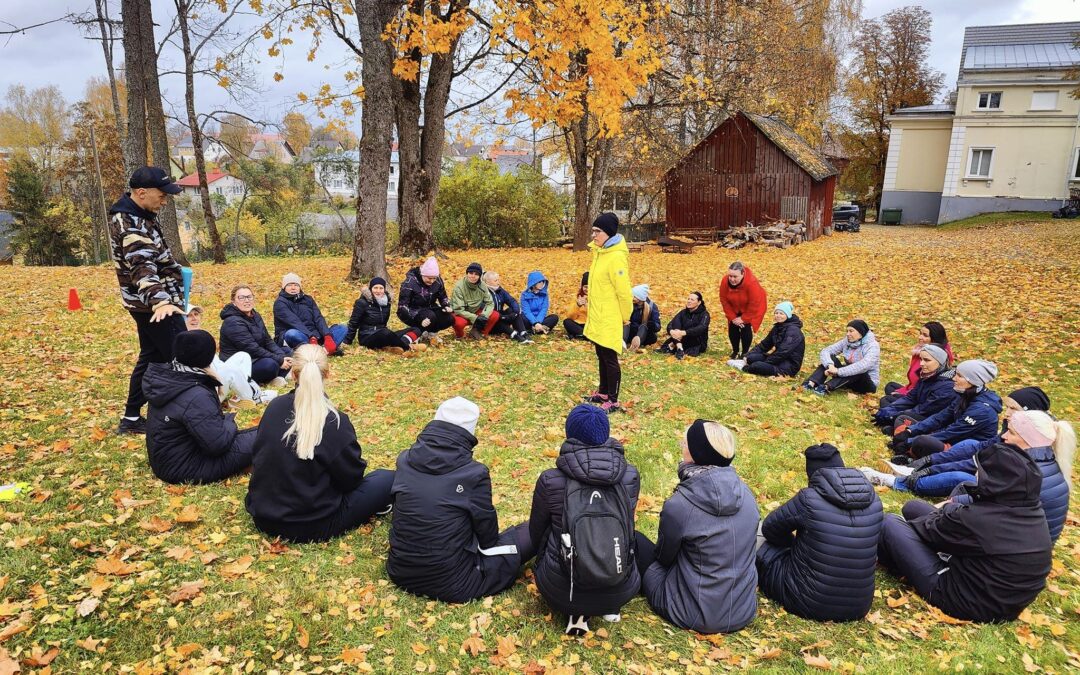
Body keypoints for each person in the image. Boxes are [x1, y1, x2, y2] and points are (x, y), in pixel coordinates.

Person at [877, 442, 1053, 623]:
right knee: (914, 507)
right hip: (1003, 598)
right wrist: (951, 514)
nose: (975, 475)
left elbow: (930, 529)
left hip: (964, 600)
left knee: (890, 524)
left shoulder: (980, 519)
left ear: (993, 479)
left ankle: (889, 559)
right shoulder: (1028, 508)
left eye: (979, 471)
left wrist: (948, 513)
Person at [387, 397, 534, 602]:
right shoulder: (474, 473)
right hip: (455, 583)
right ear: (470, 433)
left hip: (400, 571)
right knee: (533, 529)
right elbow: (488, 537)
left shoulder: (404, 459)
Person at [245, 344, 394, 542]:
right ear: (327, 374)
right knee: (387, 479)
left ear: (294, 374)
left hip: (263, 516)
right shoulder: (334, 421)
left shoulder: (274, 407)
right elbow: (352, 479)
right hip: (313, 525)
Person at [864, 403, 1073, 543]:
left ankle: (900, 481)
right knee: (914, 509)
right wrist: (945, 506)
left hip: (997, 547)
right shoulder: (1034, 463)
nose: (1005, 436)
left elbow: (984, 513)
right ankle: (908, 477)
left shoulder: (1022, 474)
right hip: (1003, 537)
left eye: (1012, 432)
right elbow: (981, 497)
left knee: (894, 526)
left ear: (1028, 439)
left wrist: (943, 517)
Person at [637, 421, 758, 634]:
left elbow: (664, 558)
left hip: (690, 613)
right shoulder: (747, 495)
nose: (681, 447)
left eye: (684, 444)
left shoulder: (680, 504)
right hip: (742, 610)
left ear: (695, 454)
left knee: (637, 541)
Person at [529, 405, 641, 635]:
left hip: (561, 589)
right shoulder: (629, 476)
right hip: (621, 586)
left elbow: (535, 532)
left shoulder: (551, 480)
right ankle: (609, 604)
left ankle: (578, 609)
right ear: (606, 433)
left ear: (569, 433)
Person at [756, 444, 883, 622]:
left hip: (805, 601)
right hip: (859, 607)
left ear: (811, 473)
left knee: (755, 533)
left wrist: (792, 545)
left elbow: (770, 529)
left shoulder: (808, 498)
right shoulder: (875, 501)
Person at [109, 166, 187, 435]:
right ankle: (194, 413)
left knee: (151, 357)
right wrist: (161, 302)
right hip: (154, 306)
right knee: (182, 355)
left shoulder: (140, 213)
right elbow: (141, 266)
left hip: (151, 303)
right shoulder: (130, 224)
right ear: (141, 193)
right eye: (161, 195)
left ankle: (131, 418)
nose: (165, 200)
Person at [144, 330, 255, 484]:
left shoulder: (170, 377)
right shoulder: (196, 394)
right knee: (267, 434)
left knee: (257, 434)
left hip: (168, 462)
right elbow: (218, 444)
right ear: (208, 356)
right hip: (187, 468)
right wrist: (230, 422)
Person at [891, 359, 1001, 460]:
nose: (953, 378)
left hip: (961, 448)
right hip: (948, 436)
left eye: (959, 376)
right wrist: (910, 431)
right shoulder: (965, 394)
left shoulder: (982, 410)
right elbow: (940, 417)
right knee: (902, 420)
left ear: (972, 381)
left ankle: (913, 455)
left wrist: (910, 441)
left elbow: (953, 432)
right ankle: (911, 451)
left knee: (922, 441)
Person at [583, 213, 633, 413]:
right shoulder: (599, 252)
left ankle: (613, 399)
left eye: (598, 231)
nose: (594, 235)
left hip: (610, 316)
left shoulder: (616, 257)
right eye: (593, 230)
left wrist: (625, 316)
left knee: (610, 356)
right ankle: (603, 391)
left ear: (609, 233)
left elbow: (624, 291)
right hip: (597, 314)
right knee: (601, 353)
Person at [187, 306, 262, 408]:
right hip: (206, 389)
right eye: (189, 316)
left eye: (196, 314)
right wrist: (219, 376)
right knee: (230, 370)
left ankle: (241, 396)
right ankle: (252, 398)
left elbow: (216, 364)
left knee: (242, 356)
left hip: (217, 380)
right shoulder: (182, 341)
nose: (194, 318)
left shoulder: (202, 335)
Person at [872, 344, 957, 434]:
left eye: (927, 360)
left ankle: (900, 427)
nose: (921, 363)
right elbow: (910, 398)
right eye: (921, 359)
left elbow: (925, 410)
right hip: (919, 409)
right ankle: (897, 425)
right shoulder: (927, 375)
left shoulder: (947, 386)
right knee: (887, 402)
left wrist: (892, 415)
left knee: (902, 415)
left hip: (930, 418)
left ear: (940, 362)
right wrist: (889, 410)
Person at [219, 285, 292, 387]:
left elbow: (268, 341)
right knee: (270, 365)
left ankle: (276, 377)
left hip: (257, 357)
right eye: (241, 298)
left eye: (249, 297)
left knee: (288, 352)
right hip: (240, 365)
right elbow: (252, 349)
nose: (246, 300)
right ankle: (275, 375)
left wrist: (282, 357)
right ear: (233, 302)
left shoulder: (255, 315)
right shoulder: (232, 321)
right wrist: (279, 360)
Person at [342, 277, 425, 354]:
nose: (378, 291)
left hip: (384, 333)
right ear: (371, 289)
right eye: (375, 288)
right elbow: (353, 323)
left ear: (384, 289)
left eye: (381, 288)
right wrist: (347, 341)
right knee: (385, 333)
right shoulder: (362, 303)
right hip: (367, 337)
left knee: (416, 329)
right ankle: (409, 348)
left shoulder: (386, 303)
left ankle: (393, 347)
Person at [880, 322, 953, 407]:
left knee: (886, 400)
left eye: (925, 335)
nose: (920, 337)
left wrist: (905, 395)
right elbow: (915, 384)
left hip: (921, 398)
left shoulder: (936, 360)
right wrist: (902, 391)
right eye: (920, 334)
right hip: (914, 391)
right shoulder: (920, 352)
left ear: (935, 339)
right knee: (890, 386)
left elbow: (923, 387)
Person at [800, 319, 880, 395]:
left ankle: (826, 387)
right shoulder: (847, 341)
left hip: (866, 384)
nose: (848, 334)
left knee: (858, 370)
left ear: (860, 332)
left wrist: (838, 371)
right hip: (848, 380)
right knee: (831, 358)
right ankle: (811, 383)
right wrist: (830, 365)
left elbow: (863, 366)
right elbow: (826, 351)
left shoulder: (872, 346)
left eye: (851, 331)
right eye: (847, 331)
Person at [273, 273, 347, 353]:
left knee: (342, 328)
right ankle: (320, 351)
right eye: (290, 285)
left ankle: (322, 350)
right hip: (300, 335)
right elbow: (294, 322)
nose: (293, 288)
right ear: (284, 287)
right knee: (292, 334)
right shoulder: (280, 303)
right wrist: (311, 336)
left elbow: (318, 318)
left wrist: (327, 335)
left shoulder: (308, 299)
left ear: (300, 287)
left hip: (316, 336)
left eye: (296, 285)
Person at [736, 302, 805, 377]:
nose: (778, 315)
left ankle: (743, 367)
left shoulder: (793, 331)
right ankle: (746, 362)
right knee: (751, 358)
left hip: (788, 366)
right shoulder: (778, 327)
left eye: (781, 313)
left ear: (787, 315)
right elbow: (764, 345)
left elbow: (783, 352)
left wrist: (766, 362)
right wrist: (747, 355)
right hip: (778, 360)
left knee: (757, 366)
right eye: (776, 313)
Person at [717, 262, 767, 360]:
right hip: (734, 305)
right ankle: (735, 351)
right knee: (733, 326)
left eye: (735, 276)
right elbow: (724, 300)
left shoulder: (751, 283)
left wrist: (744, 318)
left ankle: (745, 352)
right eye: (730, 276)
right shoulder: (725, 281)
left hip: (750, 306)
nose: (732, 279)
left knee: (745, 326)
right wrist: (733, 317)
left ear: (742, 274)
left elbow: (754, 304)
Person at [398, 256, 455, 342]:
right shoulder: (410, 282)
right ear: (422, 274)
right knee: (430, 316)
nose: (432, 281)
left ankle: (431, 333)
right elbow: (402, 307)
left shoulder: (438, 281)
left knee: (449, 318)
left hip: (430, 307)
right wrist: (415, 318)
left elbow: (443, 297)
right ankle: (416, 332)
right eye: (429, 278)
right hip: (413, 310)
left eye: (434, 278)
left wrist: (446, 305)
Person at [450, 262, 500, 339]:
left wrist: (484, 315)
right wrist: (475, 318)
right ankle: (459, 335)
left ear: (480, 276)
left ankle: (480, 332)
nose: (473, 276)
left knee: (495, 315)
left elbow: (490, 303)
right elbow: (459, 310)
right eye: (470, 273)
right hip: (461, 314)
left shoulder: (482, 285)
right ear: (467, 273)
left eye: (476, 274)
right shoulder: (459, 287)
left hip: (475, 311)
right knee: (459, 323)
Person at [657, 291, 710, 359]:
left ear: (699, 302)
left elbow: (701, 328)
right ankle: (680, 348)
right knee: (676, 325)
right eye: (688, 299)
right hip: (680, 339)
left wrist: (683, 333)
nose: (689, 301)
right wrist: (671, 331)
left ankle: (673, 346)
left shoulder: (704, 314)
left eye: (692, 300)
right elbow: (671, 324)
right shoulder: (683, 312)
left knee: (686, 332)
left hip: (697, 341)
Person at [484, 271, 531, 343]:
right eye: (495, 280)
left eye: (498, 280)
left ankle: (523, 332)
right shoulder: (483, 292)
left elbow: (511, 300)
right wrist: (503, 317)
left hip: (501, 317)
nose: (498, 282)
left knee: (511, 310)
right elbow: (486, 311)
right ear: (488, 282)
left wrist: (515, 312)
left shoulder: (499, 290)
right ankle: (516, 336)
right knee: (497, 318)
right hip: (491, 322)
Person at [520, 271, 559, 335]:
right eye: (539, 282)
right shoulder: (524, 295)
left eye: (542, 281)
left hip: (541, 319)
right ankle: (540, 329)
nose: (541, 283)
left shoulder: (544, 295)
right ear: (533, 283)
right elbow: (527, 311)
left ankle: (536, 329)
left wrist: (538, 322)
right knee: (521, 316)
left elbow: (544, 309)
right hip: (529, 319)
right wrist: (535, 323)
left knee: (554, 317)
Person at [624, 285, 660, 352]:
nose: (632, 298)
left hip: (644, 333)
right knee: (626, 323)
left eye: (634, 296)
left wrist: (651, 324)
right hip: (630, 330)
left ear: (640, 297)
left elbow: (658, 327)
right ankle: (622, 343)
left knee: (644, 326)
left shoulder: (651, 306)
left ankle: (636, 344)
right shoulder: (629, 304)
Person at [563, 272, 589, 339]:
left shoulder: (597, 298)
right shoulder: (577, 297)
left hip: (591, 325)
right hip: (579, 324)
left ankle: (579, 335)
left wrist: (587, 306)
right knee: (567, 322)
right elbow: (570, 316)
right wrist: (578, 305)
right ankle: (583, 335)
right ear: (582, 287)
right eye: (585, 287)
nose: (587, 289)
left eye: (590, 287)